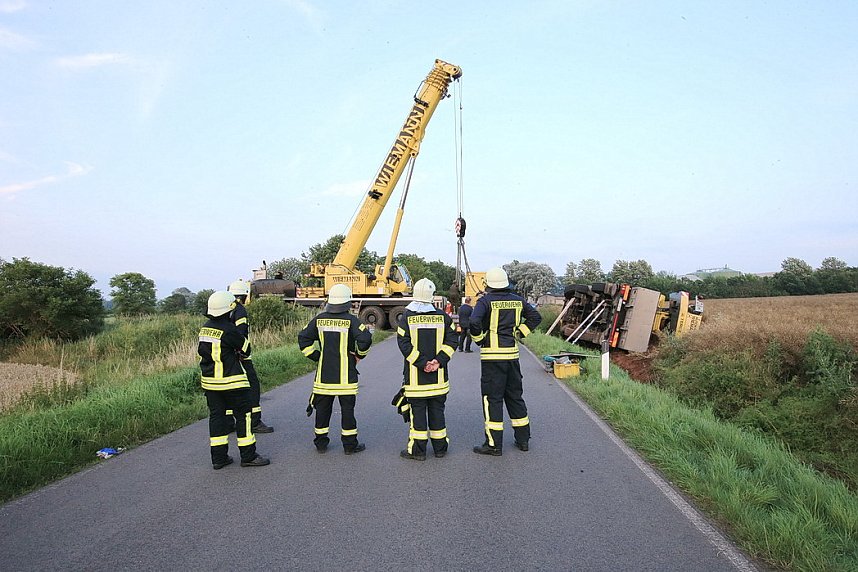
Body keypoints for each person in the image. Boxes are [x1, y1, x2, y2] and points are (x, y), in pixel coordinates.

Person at [469, 267, 542, 456]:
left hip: (493, 358)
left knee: (492, 400)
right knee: (515, 397)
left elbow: (474, 322)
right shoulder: (518, 301)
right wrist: (520, 332)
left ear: (488, 284)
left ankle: (494, 445)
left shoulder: (484, 301)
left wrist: (479, 340)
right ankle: (523, 440)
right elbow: (536, 317)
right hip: (512, 357)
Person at [198, 291, 270, 469]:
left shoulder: (205, 328)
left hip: (210, 383)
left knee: (217, 419)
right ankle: (248, 456)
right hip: (233, 382)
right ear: (228, 310)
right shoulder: (229, 329)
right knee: (244, 416)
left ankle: (219, 458)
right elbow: (246, 349)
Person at [298, 284, 373, 454]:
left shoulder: (319, 319)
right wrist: (359, 355)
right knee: (348, 412)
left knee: (322, 411)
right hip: (346, 378)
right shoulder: (352, 321)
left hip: (323, 379)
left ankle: (321, 444)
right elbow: (365, 340)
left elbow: (303, 339)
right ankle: (349, 446)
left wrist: (317, 356)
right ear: (347, 302)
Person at [396, 278, 458, 461]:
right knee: (437, 413)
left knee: (418, 416)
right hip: (438, 380)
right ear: (432, 296)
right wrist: (438, 361)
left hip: (416, 381)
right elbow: (452, 340)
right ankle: (440, 449)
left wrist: (423, 363)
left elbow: (403, 344)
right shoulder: (443, 317)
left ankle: (418, 451)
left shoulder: (407, 317)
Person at [227, 279, 273, 434]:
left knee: (229, 389)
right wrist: (242, 352)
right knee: (252, 387)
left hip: (226, 358)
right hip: (241, 357)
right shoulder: (239, 310)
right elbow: (241, 334)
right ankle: (255, 422)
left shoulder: (225, 308)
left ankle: (228, 422)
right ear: (244, 295)